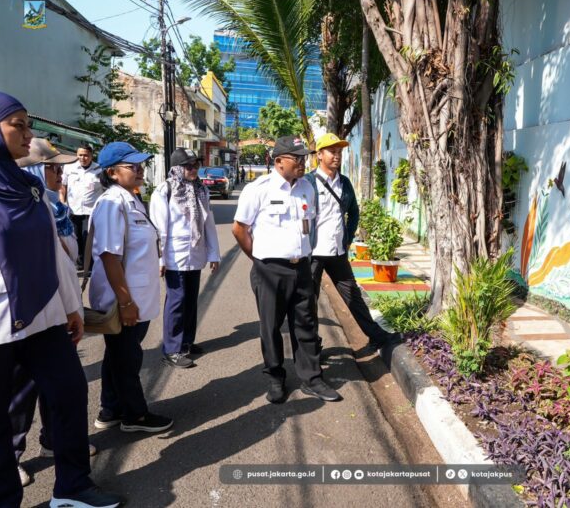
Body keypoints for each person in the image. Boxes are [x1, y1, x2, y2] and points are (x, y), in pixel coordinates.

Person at [0, 91, 123, 508]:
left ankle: (73, 488)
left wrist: (70, 307)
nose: (29, 135)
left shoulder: (29, 187)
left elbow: (56, 254)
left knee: (68, 394)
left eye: (29, 125)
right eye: (18, 125)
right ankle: (2, 499)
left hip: (45, 318)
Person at [11, 139, 97, 487]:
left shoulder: (53, 206)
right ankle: (10, 454)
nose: (60, 174)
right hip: (23, 315)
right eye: (52, 167)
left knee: (58, 387)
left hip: (57, 309)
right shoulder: (16, 205)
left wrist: (72, 306)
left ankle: (52, 440)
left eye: (61, 168)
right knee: (20, 392)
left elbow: (64, 261)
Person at [233, 135, 341, 404]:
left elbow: (309, 225)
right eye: (297, 158)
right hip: (270, 270)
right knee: (270, 326)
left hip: (301, 267)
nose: (303, 162)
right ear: (279, 161)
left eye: (305, 157)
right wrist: (258, 257)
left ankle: (312, 378)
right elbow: (240, 229)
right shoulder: (258, 189)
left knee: (305, 323)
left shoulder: (307, 188)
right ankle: (275, 377)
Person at [88, 142, 172, 434]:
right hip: (124, 300)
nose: (139, 170)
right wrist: (125, 303)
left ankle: (110, 409)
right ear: (112, 172)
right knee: (127, 359)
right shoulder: (112, 203)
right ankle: (134, 416)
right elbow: (110, 255)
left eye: (140, 165)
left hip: (136, 298)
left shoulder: (130, 199)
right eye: (131, 166)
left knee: (118, 356)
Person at [305, 133, 400, 352]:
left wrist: (347, 238)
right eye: (332, 151)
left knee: (353, 296)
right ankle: (312, 349)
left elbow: (354, 213)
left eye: (339, 151)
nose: (337, 155)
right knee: (309, 302)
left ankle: (376, 336)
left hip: (338, 252)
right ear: (319, 155)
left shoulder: (344, 182)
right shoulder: (308, 182)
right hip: (313, 254)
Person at [149, 148, 220, 369]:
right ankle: (171, 349)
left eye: (196, 165)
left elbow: (208, 223)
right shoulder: (165, 190)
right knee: (176, 301)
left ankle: (186, 342)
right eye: (188, 166)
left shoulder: (201, 190)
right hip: (174, 255)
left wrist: (214, 254)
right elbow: (159, 229)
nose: (193, 169)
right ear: (177, 168)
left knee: (190, 300)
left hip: (195, 253)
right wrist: (160, 259)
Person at [61, 144, 103, 268]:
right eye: (80, 155)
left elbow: (105, 189)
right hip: (73, 209)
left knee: (87, 237)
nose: (83, 158)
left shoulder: (99, 169)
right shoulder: (69, 167)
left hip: (91, 211)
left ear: (91, 156)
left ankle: (89, 263)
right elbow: (63, 186)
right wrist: (62, 201)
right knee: (75, 237)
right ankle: (79, 263)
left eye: (86, 155)